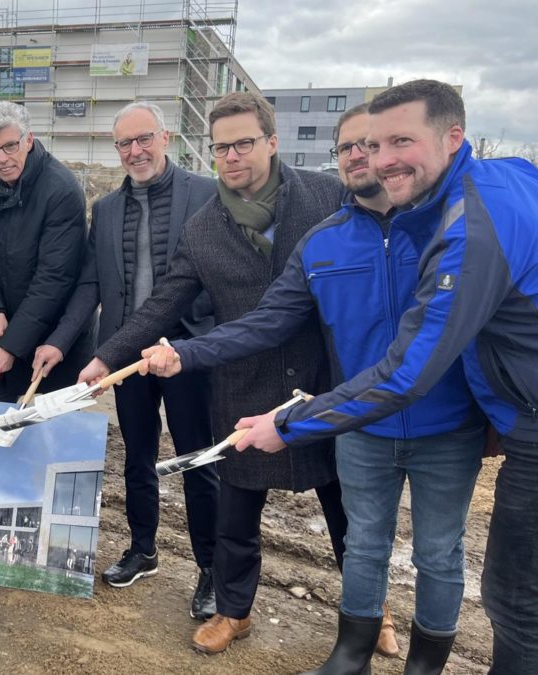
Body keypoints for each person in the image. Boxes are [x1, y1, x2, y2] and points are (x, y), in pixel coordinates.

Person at [145, 102, 490, 668]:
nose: (362, 157)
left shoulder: (442, 227)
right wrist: (183, 352)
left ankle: (401, 642)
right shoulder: (318, 237)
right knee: (338, 536)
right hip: (328, 410)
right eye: (350, 146)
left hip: (408, 412)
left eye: (372, 145)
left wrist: (499, 410)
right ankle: (308, 635)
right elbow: (266, 319)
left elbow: (481, 324)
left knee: (426, 549)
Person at [232, 79, 538, 675]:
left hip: (467, 426)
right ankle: (354, 650)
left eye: (403, 140)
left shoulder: (464, 229)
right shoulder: (505, 179)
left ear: (453, 138)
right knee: (370, 543)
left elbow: (406, 375)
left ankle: (425, 662)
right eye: (375, 144)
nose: (383, 157)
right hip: (464, 423)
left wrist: (290, 422)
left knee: (508, 598)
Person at [81, 92, 348, 654]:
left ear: (272, 142)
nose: (231, 156)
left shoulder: (326, 197)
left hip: (321, 380)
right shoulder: (206, 228)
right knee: (238, 510)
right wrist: (108, 357)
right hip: (242, 378)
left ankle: (375, 611)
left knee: (345, 504)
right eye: (221, 147)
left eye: (243, 143)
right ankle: (233, 611)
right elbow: (163, 303)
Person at [35, 101, 220, 618]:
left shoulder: (206, 195)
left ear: (166, 137)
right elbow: (92, 284)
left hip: (185, 354)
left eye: (144, 139)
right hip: (124, 357)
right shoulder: (108, 209)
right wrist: (73, 343)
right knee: (136, 457)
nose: (135, 151)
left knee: (196, 460)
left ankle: (211, 567)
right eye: (124, 144)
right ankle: (143, 550)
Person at [0, 101, 94, 400]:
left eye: (10, 146)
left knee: (47, 435)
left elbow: (53, 279)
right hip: (8, 329)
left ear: (28, 140)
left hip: (54, 339)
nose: (2, 159)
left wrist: (12, 345)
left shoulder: (61, 190)